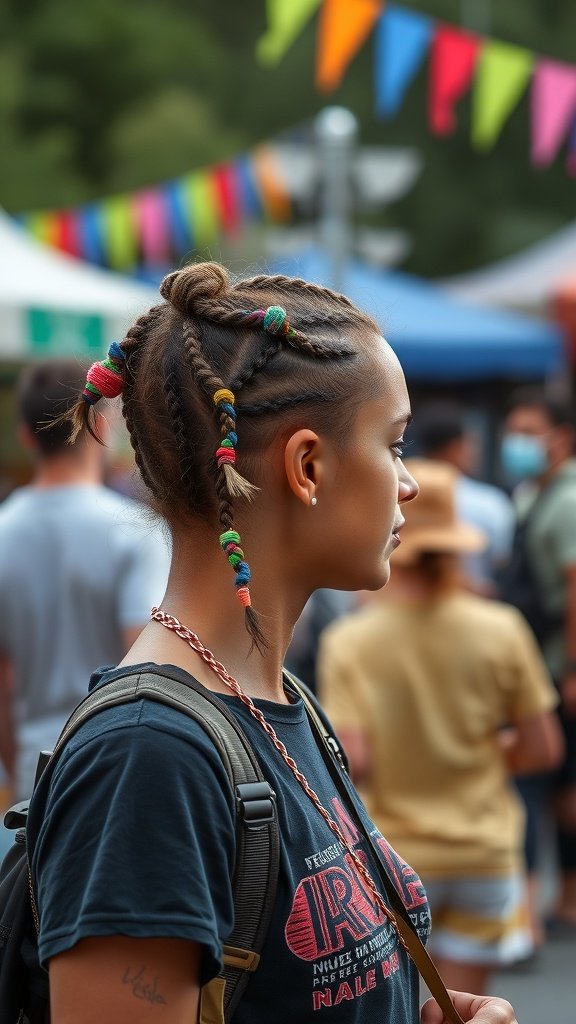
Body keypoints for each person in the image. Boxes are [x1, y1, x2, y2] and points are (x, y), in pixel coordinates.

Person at [26, 263, 518, 1024]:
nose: (409, 484)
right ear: (308, 466)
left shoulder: (279, 701)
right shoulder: (148, 755)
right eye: (393, 444)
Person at [317, 458, 562, 994]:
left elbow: (356, 760)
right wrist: (485, 753)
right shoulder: (501, 628)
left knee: (400, 1005)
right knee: (462, 1009)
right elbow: (544, 748)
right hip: (485, 850)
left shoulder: (352, 641)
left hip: (395, 857)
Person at [0, 359, 170, 800]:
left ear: (25, 437)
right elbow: (142, 665)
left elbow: (3, 678)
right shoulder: (137, 533)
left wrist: (20, 766)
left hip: (30, 774)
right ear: (102, 423)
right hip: (114, 767)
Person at [500, 389, 576, 940]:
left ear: (560, 437)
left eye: (529, 430)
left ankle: (568, 896)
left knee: (564, 787)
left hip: (557, 661)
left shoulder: (568, 500)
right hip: (536, 659)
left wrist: (573, 668)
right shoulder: (533, 493)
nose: (516, 442)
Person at [413, 402, 514, 595]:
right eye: (471, 443)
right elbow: (502, 562)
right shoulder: (489, 502)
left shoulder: (399, 495)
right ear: (456, 446)